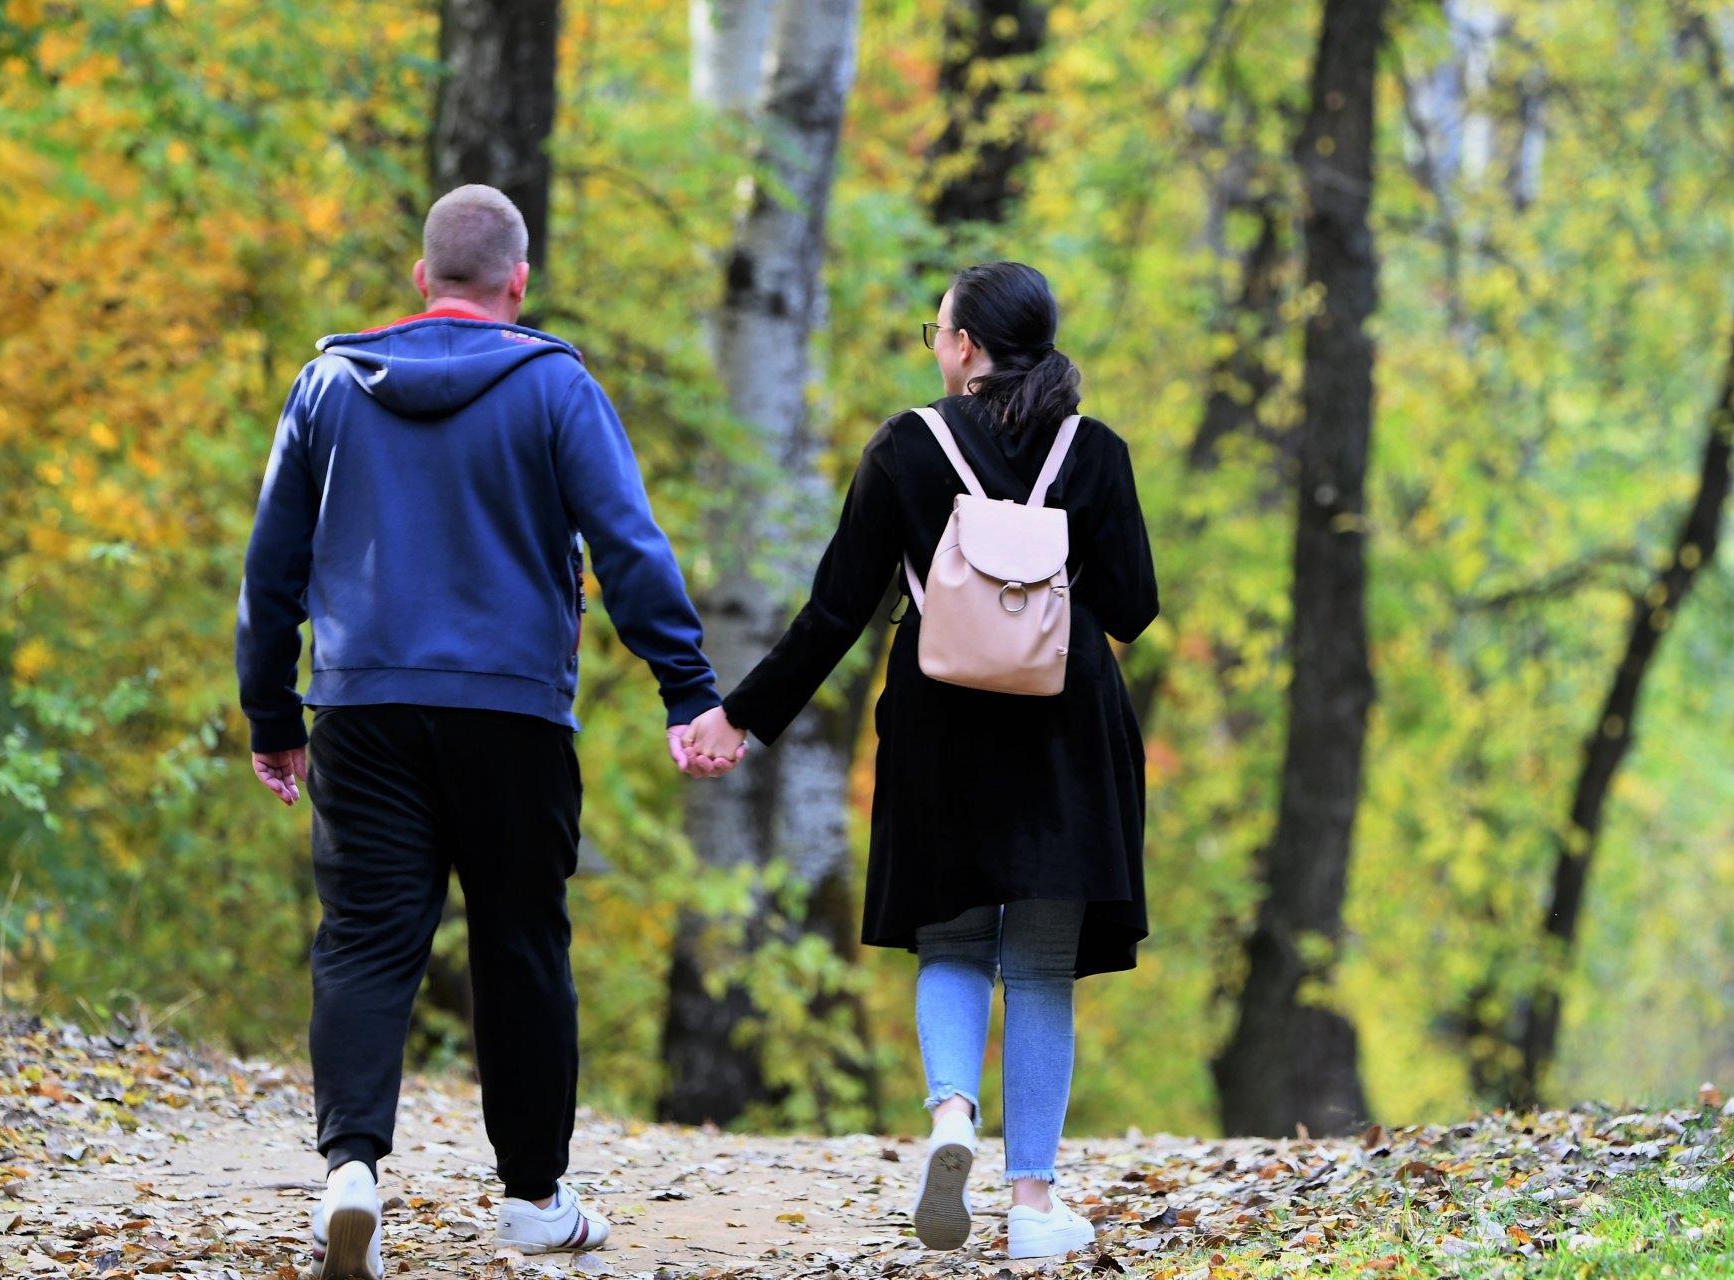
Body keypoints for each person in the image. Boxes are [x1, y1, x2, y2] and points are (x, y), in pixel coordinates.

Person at [236, 185, 740, 1280]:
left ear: (422, 279)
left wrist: (274, 714)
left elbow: (271, 568)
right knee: (520, 944)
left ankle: (351, 1174)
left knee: (366, 940)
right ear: (519, 283)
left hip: (363, 706)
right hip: (513, 712)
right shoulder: (554, 384)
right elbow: (631, 546)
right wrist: (686, 688)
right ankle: (531, 1200)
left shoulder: (327, 385)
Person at [682, 262, 1158, 1260]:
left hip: (941, 727)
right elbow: (1133, 607)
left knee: (951, 942)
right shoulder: (1096, 451)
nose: (935, 345)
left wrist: (742, 718)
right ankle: (1032, 1204)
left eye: (938, 330)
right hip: (1065, 732)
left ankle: (951, 1116)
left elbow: (836, 612)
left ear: (968, 348)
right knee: (1037, 966)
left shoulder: (905, 447)